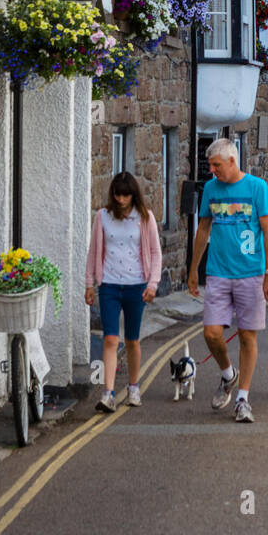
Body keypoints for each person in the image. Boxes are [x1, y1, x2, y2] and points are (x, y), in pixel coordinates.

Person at [187, 139, 268, 423]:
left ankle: (243, 399)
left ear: (232, 161)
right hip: (218, 272)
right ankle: (228, 374)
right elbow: (203, 230)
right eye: (210, 165)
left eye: (216, 165)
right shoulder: (211, 189)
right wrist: (192, 270)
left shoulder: (257, 188)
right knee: (211, 333)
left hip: (251, 273)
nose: (212, 171)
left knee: (248, 336)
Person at [84, 172, 162, 411]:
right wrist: (89, 283)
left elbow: (155, 253)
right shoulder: (103, 217)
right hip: (108, 284)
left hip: (136, 285)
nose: (121, 199)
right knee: (110, 338)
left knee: (132, 340)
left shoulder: (145, 218)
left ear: (133, 194)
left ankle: (133, 386)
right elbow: (93, 252)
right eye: (117, 195)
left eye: (125, 195)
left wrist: (153, 284)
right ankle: (107, 393)